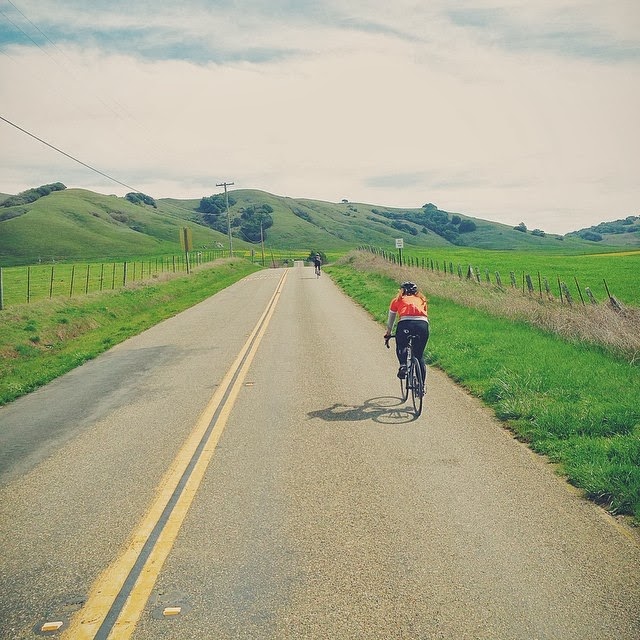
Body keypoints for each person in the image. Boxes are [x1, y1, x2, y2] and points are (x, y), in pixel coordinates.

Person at [383, 281, 429, 380]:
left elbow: (391, 319)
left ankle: (403, 366)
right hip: (422, 325)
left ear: (402, 291)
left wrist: (388, 333)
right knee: (419, 355)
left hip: (405, 323)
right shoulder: (422, 299)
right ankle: (422, 385)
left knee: (402, 344)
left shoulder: (397, 300)